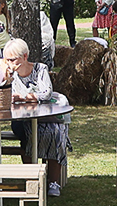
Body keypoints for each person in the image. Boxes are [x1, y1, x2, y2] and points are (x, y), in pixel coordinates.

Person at [4, 37, 69, 195]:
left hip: (45, 116)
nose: (10, 64)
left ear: (25, 56)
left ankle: (53, 182)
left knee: (55, 132)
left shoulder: (40, 69)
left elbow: (46, 93)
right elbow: (2, 94)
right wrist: (6, 80)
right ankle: (32, 179)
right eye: (7, 60)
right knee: (27, 134)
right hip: (21, 118)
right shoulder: (8, 74)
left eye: (13, 60)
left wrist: (23, 97)